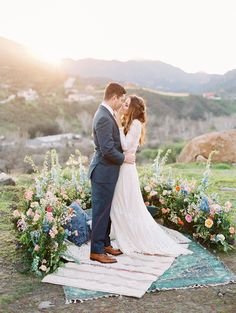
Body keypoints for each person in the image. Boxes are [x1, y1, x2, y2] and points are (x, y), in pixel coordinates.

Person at [110, 95, 193, 257]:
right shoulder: (131, 123)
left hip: (126, 170)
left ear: (133, 108)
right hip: (124, 167)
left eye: (127, 105)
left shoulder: (135, 124)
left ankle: (131, 237)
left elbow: (126, 146)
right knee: (121, 203)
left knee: (125, 204)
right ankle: (124, 235)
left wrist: (119, 126)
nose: (124, 107)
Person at [88, 82, 135, 264]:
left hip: (108, 171)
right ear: (114, 97)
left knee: (107, 209)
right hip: (102, 172)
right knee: (100, 211)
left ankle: (105, 243)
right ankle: (96, 251)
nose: (122, 103)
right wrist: (125, 158)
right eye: (121, 99)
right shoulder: (103, 117)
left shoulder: (107, 114)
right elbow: (107, 149)